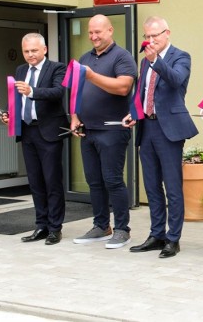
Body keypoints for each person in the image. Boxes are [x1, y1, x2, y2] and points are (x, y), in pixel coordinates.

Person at [125, 16, 198, 259]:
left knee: (173, 187)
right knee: (152, 186)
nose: (150, 40)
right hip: (147, 127)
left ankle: (173, 238)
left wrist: (155, 60)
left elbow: (176, 80)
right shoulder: (146, 60)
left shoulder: (180, 56)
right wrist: (133, 114)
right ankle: (156, 234)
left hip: (170, 130)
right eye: (147, 36)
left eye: (155, 35)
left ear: (167, 33)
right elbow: (142, 92)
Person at [70, 14, 137, 249]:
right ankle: (101, 226)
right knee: (94, 182)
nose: (93, 36)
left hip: (112, 130)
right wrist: (75, 117)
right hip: (87, 130)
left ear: (110, 31)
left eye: (98, 32)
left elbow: (122, 87)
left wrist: (91, 75)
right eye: (90, 32)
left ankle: (122, 229)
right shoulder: (85, 57)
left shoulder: (122, 56)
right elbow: (75, 90)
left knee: (113, 180)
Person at [1, 33, 68, 245]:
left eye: (34, 51)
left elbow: (58, 92)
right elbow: (15, 97)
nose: (30, 55)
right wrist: (8, 113)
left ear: (44, 49)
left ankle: (55, 228)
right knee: (35, 181)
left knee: (52, 180)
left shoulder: (57, 68)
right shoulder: (21, 70)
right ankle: (41, 225)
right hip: (28, 131)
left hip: (48, 131)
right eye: (26, 51)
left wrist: (32, 91)